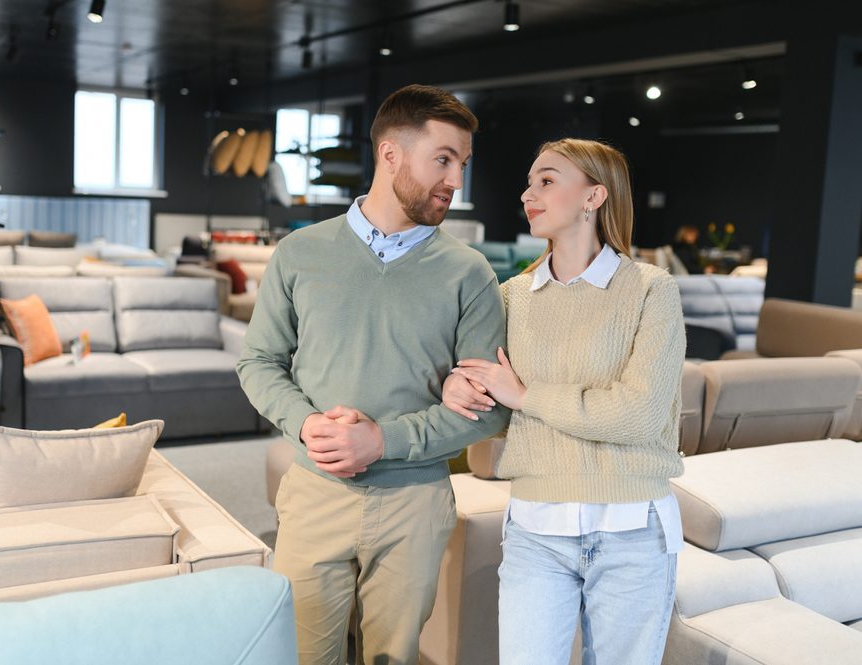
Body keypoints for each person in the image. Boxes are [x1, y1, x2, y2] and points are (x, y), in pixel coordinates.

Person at [237, 84, 510, 665]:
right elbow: (258, 361)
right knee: (302, 655)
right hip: (315, 490)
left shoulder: (471, 274)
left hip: (415, 501)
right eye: (443, 159)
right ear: (391, 154)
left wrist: (383, 440)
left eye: (462, 164)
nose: (455, 181)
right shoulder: (299, 253)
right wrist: (306, 423)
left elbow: (490, 410)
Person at [443, 138, 685, 665]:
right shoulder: (511, 297)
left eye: (547, 181)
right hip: (536, 530)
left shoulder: (652, 290)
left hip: (633, 530)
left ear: (594, 196)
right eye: (529, 183)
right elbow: (491, 405)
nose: (528, 194)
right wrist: (459, 387)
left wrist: (527, 396)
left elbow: (641, 415)